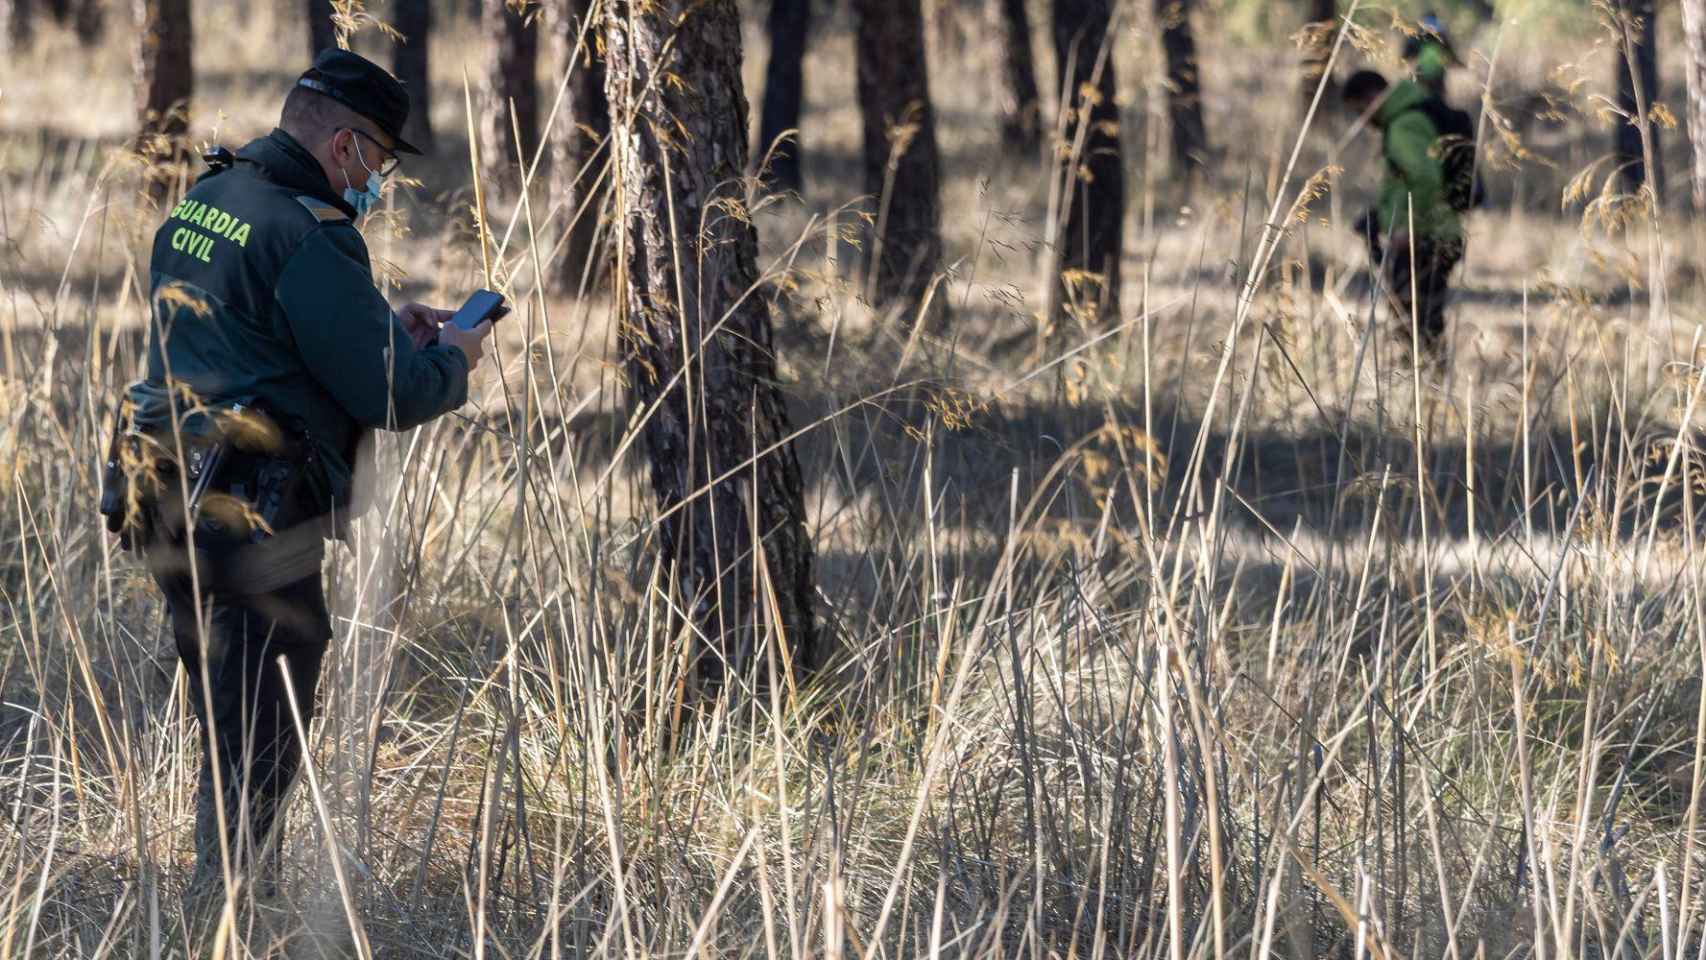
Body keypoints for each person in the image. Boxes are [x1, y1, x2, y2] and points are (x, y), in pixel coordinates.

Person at [111, 49, 494, 918]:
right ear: (347, 144)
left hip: (166, 491)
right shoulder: (310, 233)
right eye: (383, 159)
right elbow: (395, 394)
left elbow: (252, 343)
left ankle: (227, 902)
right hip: (254, 517)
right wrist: (455, 358)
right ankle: (232, 915)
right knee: (264, 727)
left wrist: (381, 326)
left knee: (227, 711)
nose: (381, 180)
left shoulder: (209, 202)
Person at [1343, 68, 1465, 352]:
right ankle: (1424, 380)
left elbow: (1426, 179)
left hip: (1425, 237)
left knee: (1418, 324)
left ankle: (1428, 382)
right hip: (1433, 233)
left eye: (1359, 110)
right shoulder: (1408, 117)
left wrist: (1406, 227)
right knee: (1418, 322)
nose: (1362, 120)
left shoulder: (1404, 126)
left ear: (1371, 97)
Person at [1402, 12, 1456, 99]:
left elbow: (1405, 55)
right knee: (1437, 101)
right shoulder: (1441, 35)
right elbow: (1451, 54)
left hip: (1423, 74)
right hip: (1436, 74)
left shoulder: (1417, 35)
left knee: (1422, 99)